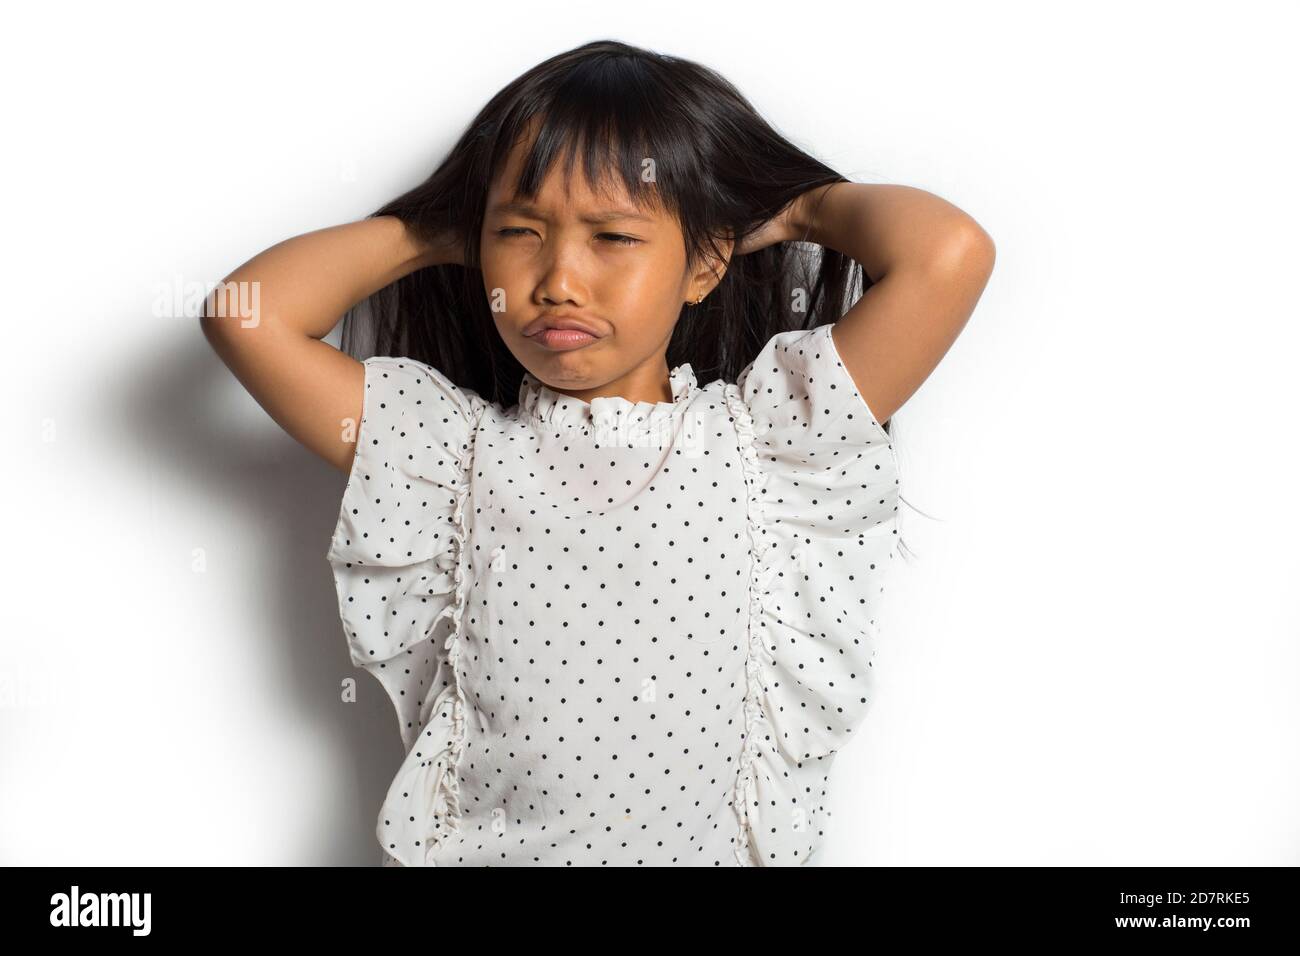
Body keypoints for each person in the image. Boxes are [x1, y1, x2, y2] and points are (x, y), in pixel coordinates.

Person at [201, 39, 995, 866]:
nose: (558, 280)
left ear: (707, 260)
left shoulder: (768, 442)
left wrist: (795, 211)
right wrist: (442, 232)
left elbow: (949, 254)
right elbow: (245, 313)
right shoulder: (446, 456)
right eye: (521, 234)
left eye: (612, 237)